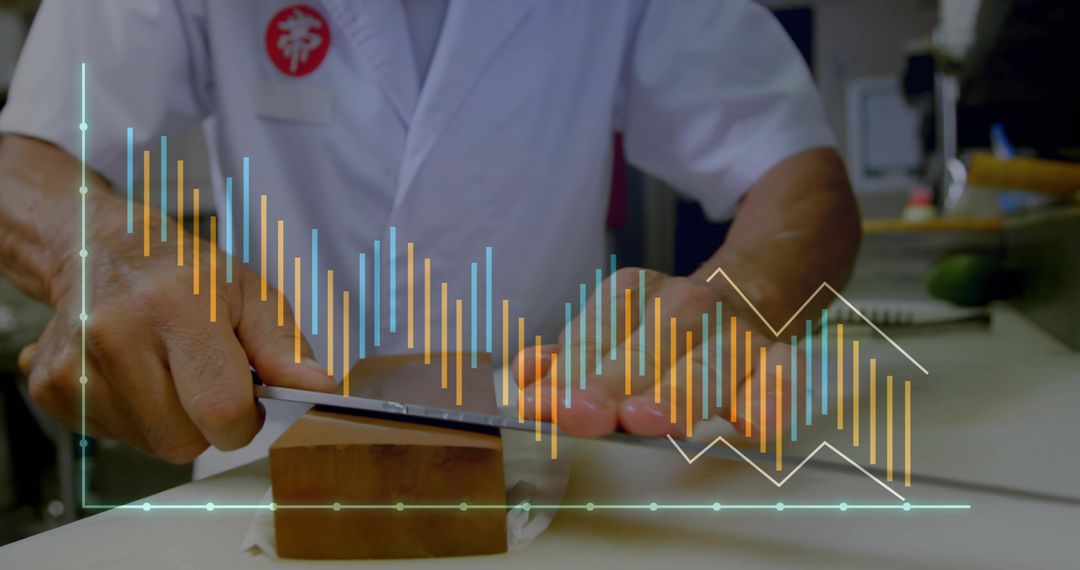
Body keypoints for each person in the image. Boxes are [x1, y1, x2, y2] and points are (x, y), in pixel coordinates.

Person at [0, 0, 859, 478]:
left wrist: (736, 297)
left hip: (566, 466)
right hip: (267, 468)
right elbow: (25, 158)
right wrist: (97, 249)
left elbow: (801, 182)